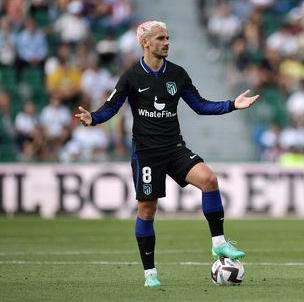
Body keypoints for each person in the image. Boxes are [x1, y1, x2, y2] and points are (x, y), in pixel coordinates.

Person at [75, 20, 259, 288]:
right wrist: (94, 117)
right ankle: (150, 273)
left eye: (168, 37)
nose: (166, 42)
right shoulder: (131, 76)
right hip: (147, 154)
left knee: (209, 180)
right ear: (145, 42)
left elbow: (200, 105)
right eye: (161, 38)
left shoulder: (177, 73)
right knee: (147, 211)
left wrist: (232, 105)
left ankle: (218, 244)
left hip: (174, 148)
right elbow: (111, 106)